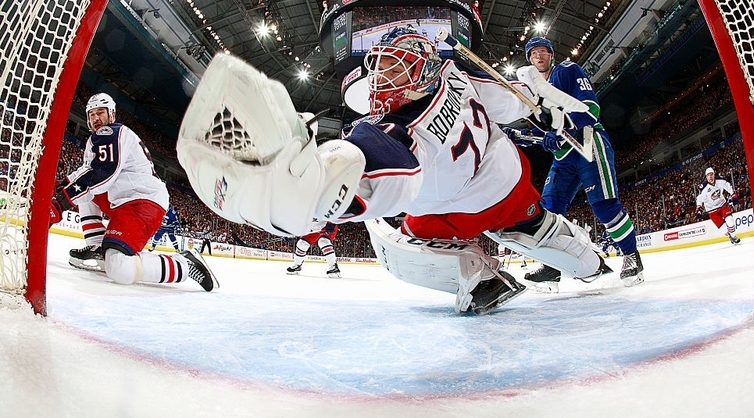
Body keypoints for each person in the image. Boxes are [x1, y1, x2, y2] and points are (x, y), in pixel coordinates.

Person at [177, 26, 614, 315]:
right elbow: (511, 100)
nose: (383, 77)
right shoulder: (457, 74)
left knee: (403, 238)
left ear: (419, 67)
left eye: (393, 65)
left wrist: (309, 196)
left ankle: (480, 277)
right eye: (380, 66)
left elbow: (374, 178)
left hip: (449, 215)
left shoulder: (388, 129)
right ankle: (585, 258)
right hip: (509, 182)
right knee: (535, 223)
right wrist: (541, 104)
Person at [505, 37, 644, 292]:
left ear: (551, 55)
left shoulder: (567, 71)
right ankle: (553, 267)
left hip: (589, 144)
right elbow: (549, 132)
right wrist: (524, 137)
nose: (538, 56)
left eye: (543, 51)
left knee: (604, 207)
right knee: (547, 212)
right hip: (564, 155)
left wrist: (558, 127)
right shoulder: (534, 92)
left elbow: (590, 110)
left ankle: (632, 256)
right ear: (528, 60)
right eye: (533, 53)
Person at [49, 93, 217, 291]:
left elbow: (102, 176)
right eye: (91, 114)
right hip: (121, 200)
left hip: (143, 202)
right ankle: (97, 246)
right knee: (85, 189)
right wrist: (59, 189)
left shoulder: (112, 132)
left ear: (112, 114)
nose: (95, 118)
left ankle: (184, 264)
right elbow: (86, 173)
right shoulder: (98, 139)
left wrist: (60, 203)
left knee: (119, 268)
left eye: (100, 112)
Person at [696, 167, 741, 244]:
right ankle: (730, 236)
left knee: (730, 221)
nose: (710, 176)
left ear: (714, 174)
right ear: (706, 177)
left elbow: (728, 186)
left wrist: (733, 195)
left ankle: (733, 236)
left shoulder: (720, 181)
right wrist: (699, 208)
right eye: (708, 175)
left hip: (722, 205)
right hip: (712, 211)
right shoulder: (704, 188)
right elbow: (699, 199)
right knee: (724, 230)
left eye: (711, 174)